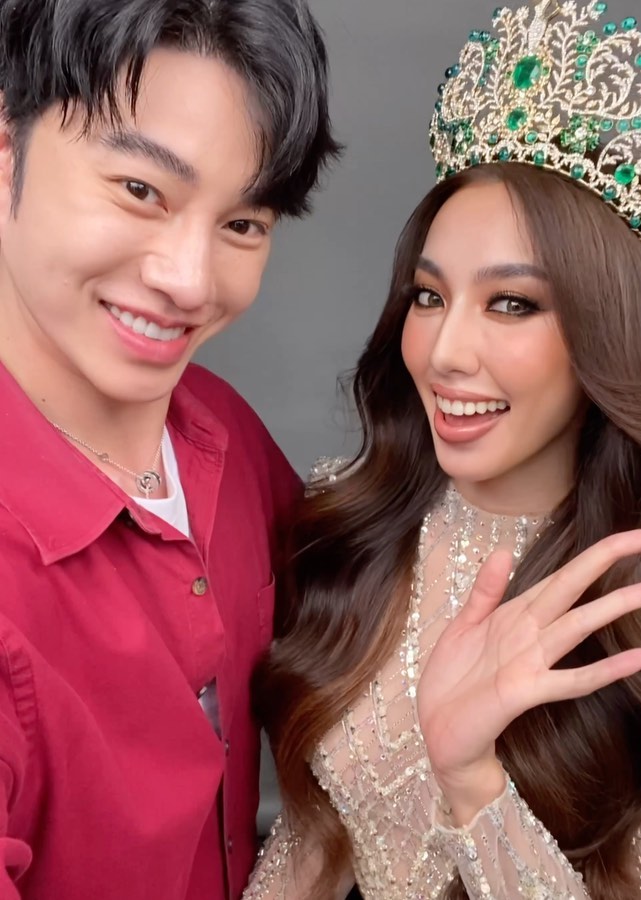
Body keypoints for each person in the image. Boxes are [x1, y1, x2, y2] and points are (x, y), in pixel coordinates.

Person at [244, 1, 641, 898]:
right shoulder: (351, 530)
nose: (444, 351)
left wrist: (473, 784)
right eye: (429, 296)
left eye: (512, 304)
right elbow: (311, 843)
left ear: (607, 340)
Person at [0, 1, 340, 898]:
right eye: (141, 191)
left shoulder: (221, 431)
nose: (189, 282)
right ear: (5, 151)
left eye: (243, 224)